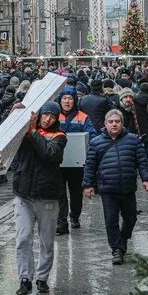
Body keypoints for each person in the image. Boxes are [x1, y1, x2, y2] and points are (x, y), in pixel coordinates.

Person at [82, 110, 148, 265]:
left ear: (122, 123)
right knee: (111, 221)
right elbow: (90, 165)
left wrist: (146, 178)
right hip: (107, 189)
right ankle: (117, 250)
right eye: (111, 122)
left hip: (127, 188)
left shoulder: (133, 140)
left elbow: (142, 161)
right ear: (106, 124)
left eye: (117, 121)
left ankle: (123, 238)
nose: (114, 124)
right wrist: (88, 185)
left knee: (131, 218)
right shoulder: (96, 142)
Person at [13, 101, 67, 295]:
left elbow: (48, 153)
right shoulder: (27, 129)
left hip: (48, 197)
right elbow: (6, 135)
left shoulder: (59, 136)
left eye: (52, 116)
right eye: (45, 115)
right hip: (24, 194)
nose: (47, 119)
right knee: (23, 238)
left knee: (46, 241)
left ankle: (42, 278)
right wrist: (14, 115)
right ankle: (25, 278)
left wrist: (33, 131)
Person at [56, 89, 97, 236]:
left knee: (76, 194)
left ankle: (74, 216)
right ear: (60, 101)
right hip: (58, 163)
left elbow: (92, 135)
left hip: (77, 164)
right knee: (59, 193)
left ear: (74, 101)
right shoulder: (53, 116)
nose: (67, 101)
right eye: (64, 98)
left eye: (70, 99)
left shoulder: (83, 117)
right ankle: (61, 221)